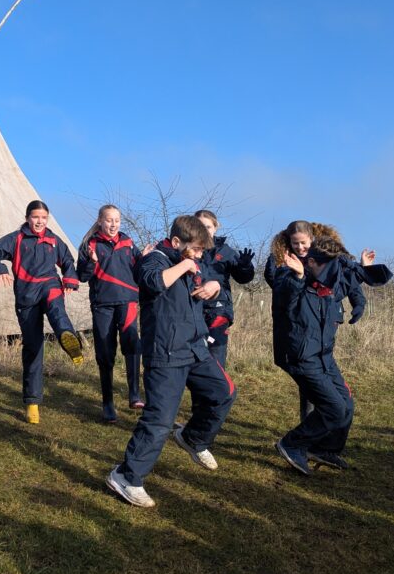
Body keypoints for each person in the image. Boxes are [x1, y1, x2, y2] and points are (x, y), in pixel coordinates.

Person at [106, 215, 236, 508]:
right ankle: (126, 477)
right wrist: (185, 265)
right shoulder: (155, 258)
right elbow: (152, 282)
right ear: (177, 242)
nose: (200, 255)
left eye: (203, 251)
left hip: (195, 348)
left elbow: (212, 283)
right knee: (160, 420)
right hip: (165, 353)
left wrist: (214, 285)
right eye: (196, 250)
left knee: (224, 393)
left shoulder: (193, 260)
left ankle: (192, 438)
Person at [272, 238, 391, 475]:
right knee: (334, 408)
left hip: (324, 355)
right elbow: (286, 295)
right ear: (312, 262)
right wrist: (297, 276)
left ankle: (324, 448)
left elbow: (345, 284)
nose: (332, 276)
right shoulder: (289, 278)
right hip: (301, 356)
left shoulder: (328, 283)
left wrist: (362, 268)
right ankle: (292, 444)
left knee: (346, 405)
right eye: (330, 269)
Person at [0, 200, 85, 424]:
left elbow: (68, 260)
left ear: (47, 219)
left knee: (58, 313)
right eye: (35, 217)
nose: (39, 221)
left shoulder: (53, 239)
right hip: (26, 295)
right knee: (33, 347)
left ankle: (70, 341)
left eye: (43, 217)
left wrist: (69, 279)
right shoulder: (17, 239)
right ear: (27, 218)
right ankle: (32, 402)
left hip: (50, 286)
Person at [265, 221, 367, 419]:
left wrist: (359, 303)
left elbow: (343, 282)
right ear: (288, 242)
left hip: (326, 323)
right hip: (299, 326)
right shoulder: (281, 260)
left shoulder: (325, 256)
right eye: (295, 244)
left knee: (322, 377)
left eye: (303, 243)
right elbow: (277, 285)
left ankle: (324, 423)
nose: (300, 248)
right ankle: (311, 425)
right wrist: (299, 275)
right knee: (312, 381)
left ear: (312, 239)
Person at [76, 204, 147, 422]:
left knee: (132, 347)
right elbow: (82, 276)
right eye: (109, 220)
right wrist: (91, 262)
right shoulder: (90, 245)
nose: (113, 224)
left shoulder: (128, 242)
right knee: (105, 354)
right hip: (103, 304)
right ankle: (107, 403)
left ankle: (134, 394)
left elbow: (138, 269)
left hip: (128, 302)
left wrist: (144, 258)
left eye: (117, 220)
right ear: (100, 221)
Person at [194, 210, 255, 368]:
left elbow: (243, 279)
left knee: (215, 354)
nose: (204, 230)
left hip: (219, 311)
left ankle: (218, 390)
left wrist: (245, 266)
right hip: (193, 309)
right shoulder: (187, 250)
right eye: (200, 226)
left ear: (215, 227)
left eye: (208, 226)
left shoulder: (225, 251)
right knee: (194, 355)